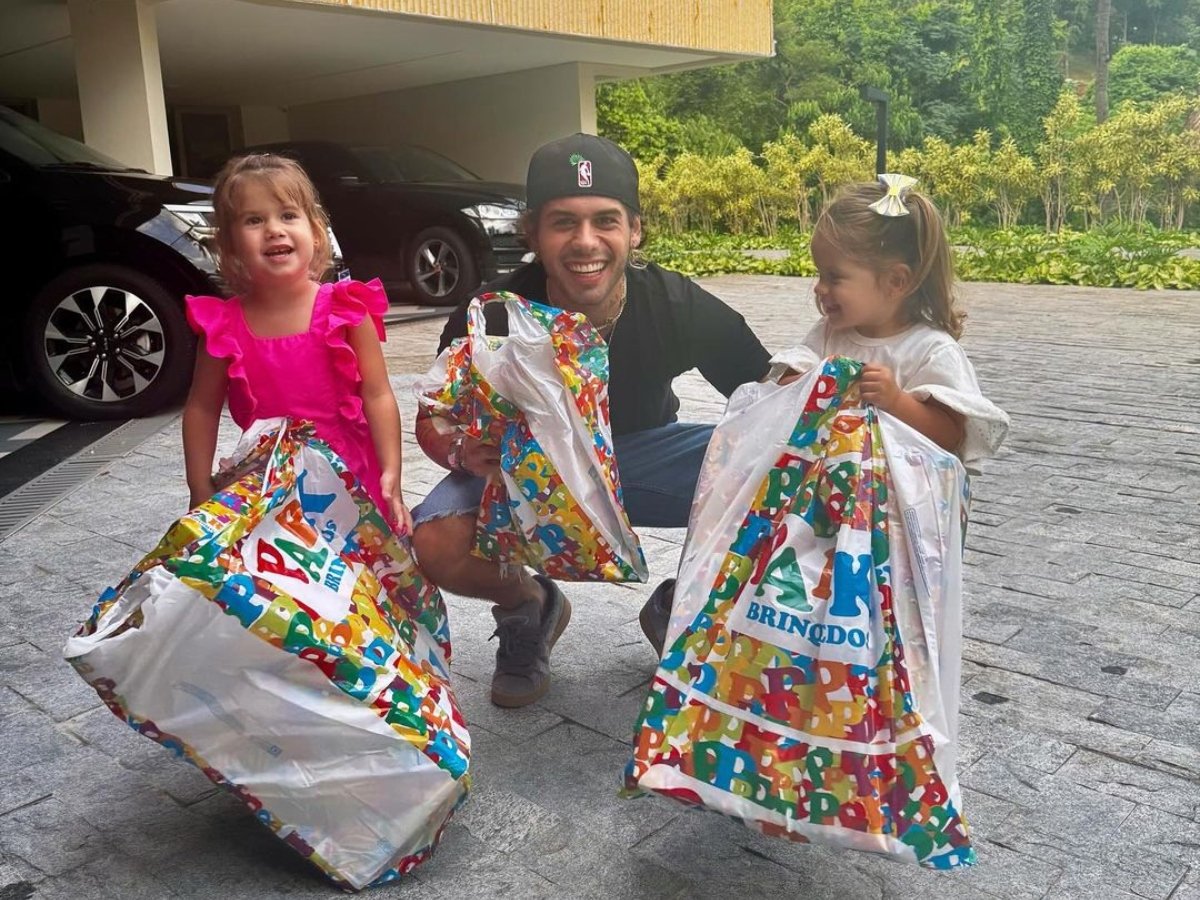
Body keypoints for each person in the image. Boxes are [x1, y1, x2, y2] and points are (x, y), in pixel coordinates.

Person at [411, 133, 772, 708]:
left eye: (605, 220)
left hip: (643, 460)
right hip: (530, 475)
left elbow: (772, 401)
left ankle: (686, 608)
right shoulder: (495, 316)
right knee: (435, 540)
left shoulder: (676, 303)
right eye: (563, 223)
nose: (586, 242)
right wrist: (458, 451)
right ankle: (530, 606)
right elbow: (434, 418)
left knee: (798, 476)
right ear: (532, 233)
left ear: (635, 229)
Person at [183, 153, 413, 533]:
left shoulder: (346, 310)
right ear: (230, 244)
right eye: (254, 220)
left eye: (288, 215)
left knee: (361, 578)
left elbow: (378, 394)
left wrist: (392, 472)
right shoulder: (223, 326)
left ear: (317, 231)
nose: (274, 229)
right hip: (266, 483)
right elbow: (202, 409)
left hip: (350, 474)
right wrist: (198, 485)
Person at [797, 174, 1008, 464]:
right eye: (820, 274)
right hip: (828, 495)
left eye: (834, 277)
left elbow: (951, 436)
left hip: (901, 502)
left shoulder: (930, 351)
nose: (819, 287)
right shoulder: (827, 335)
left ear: (895, 281)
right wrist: (796, 381)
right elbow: (789, 383)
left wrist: (897, 401)